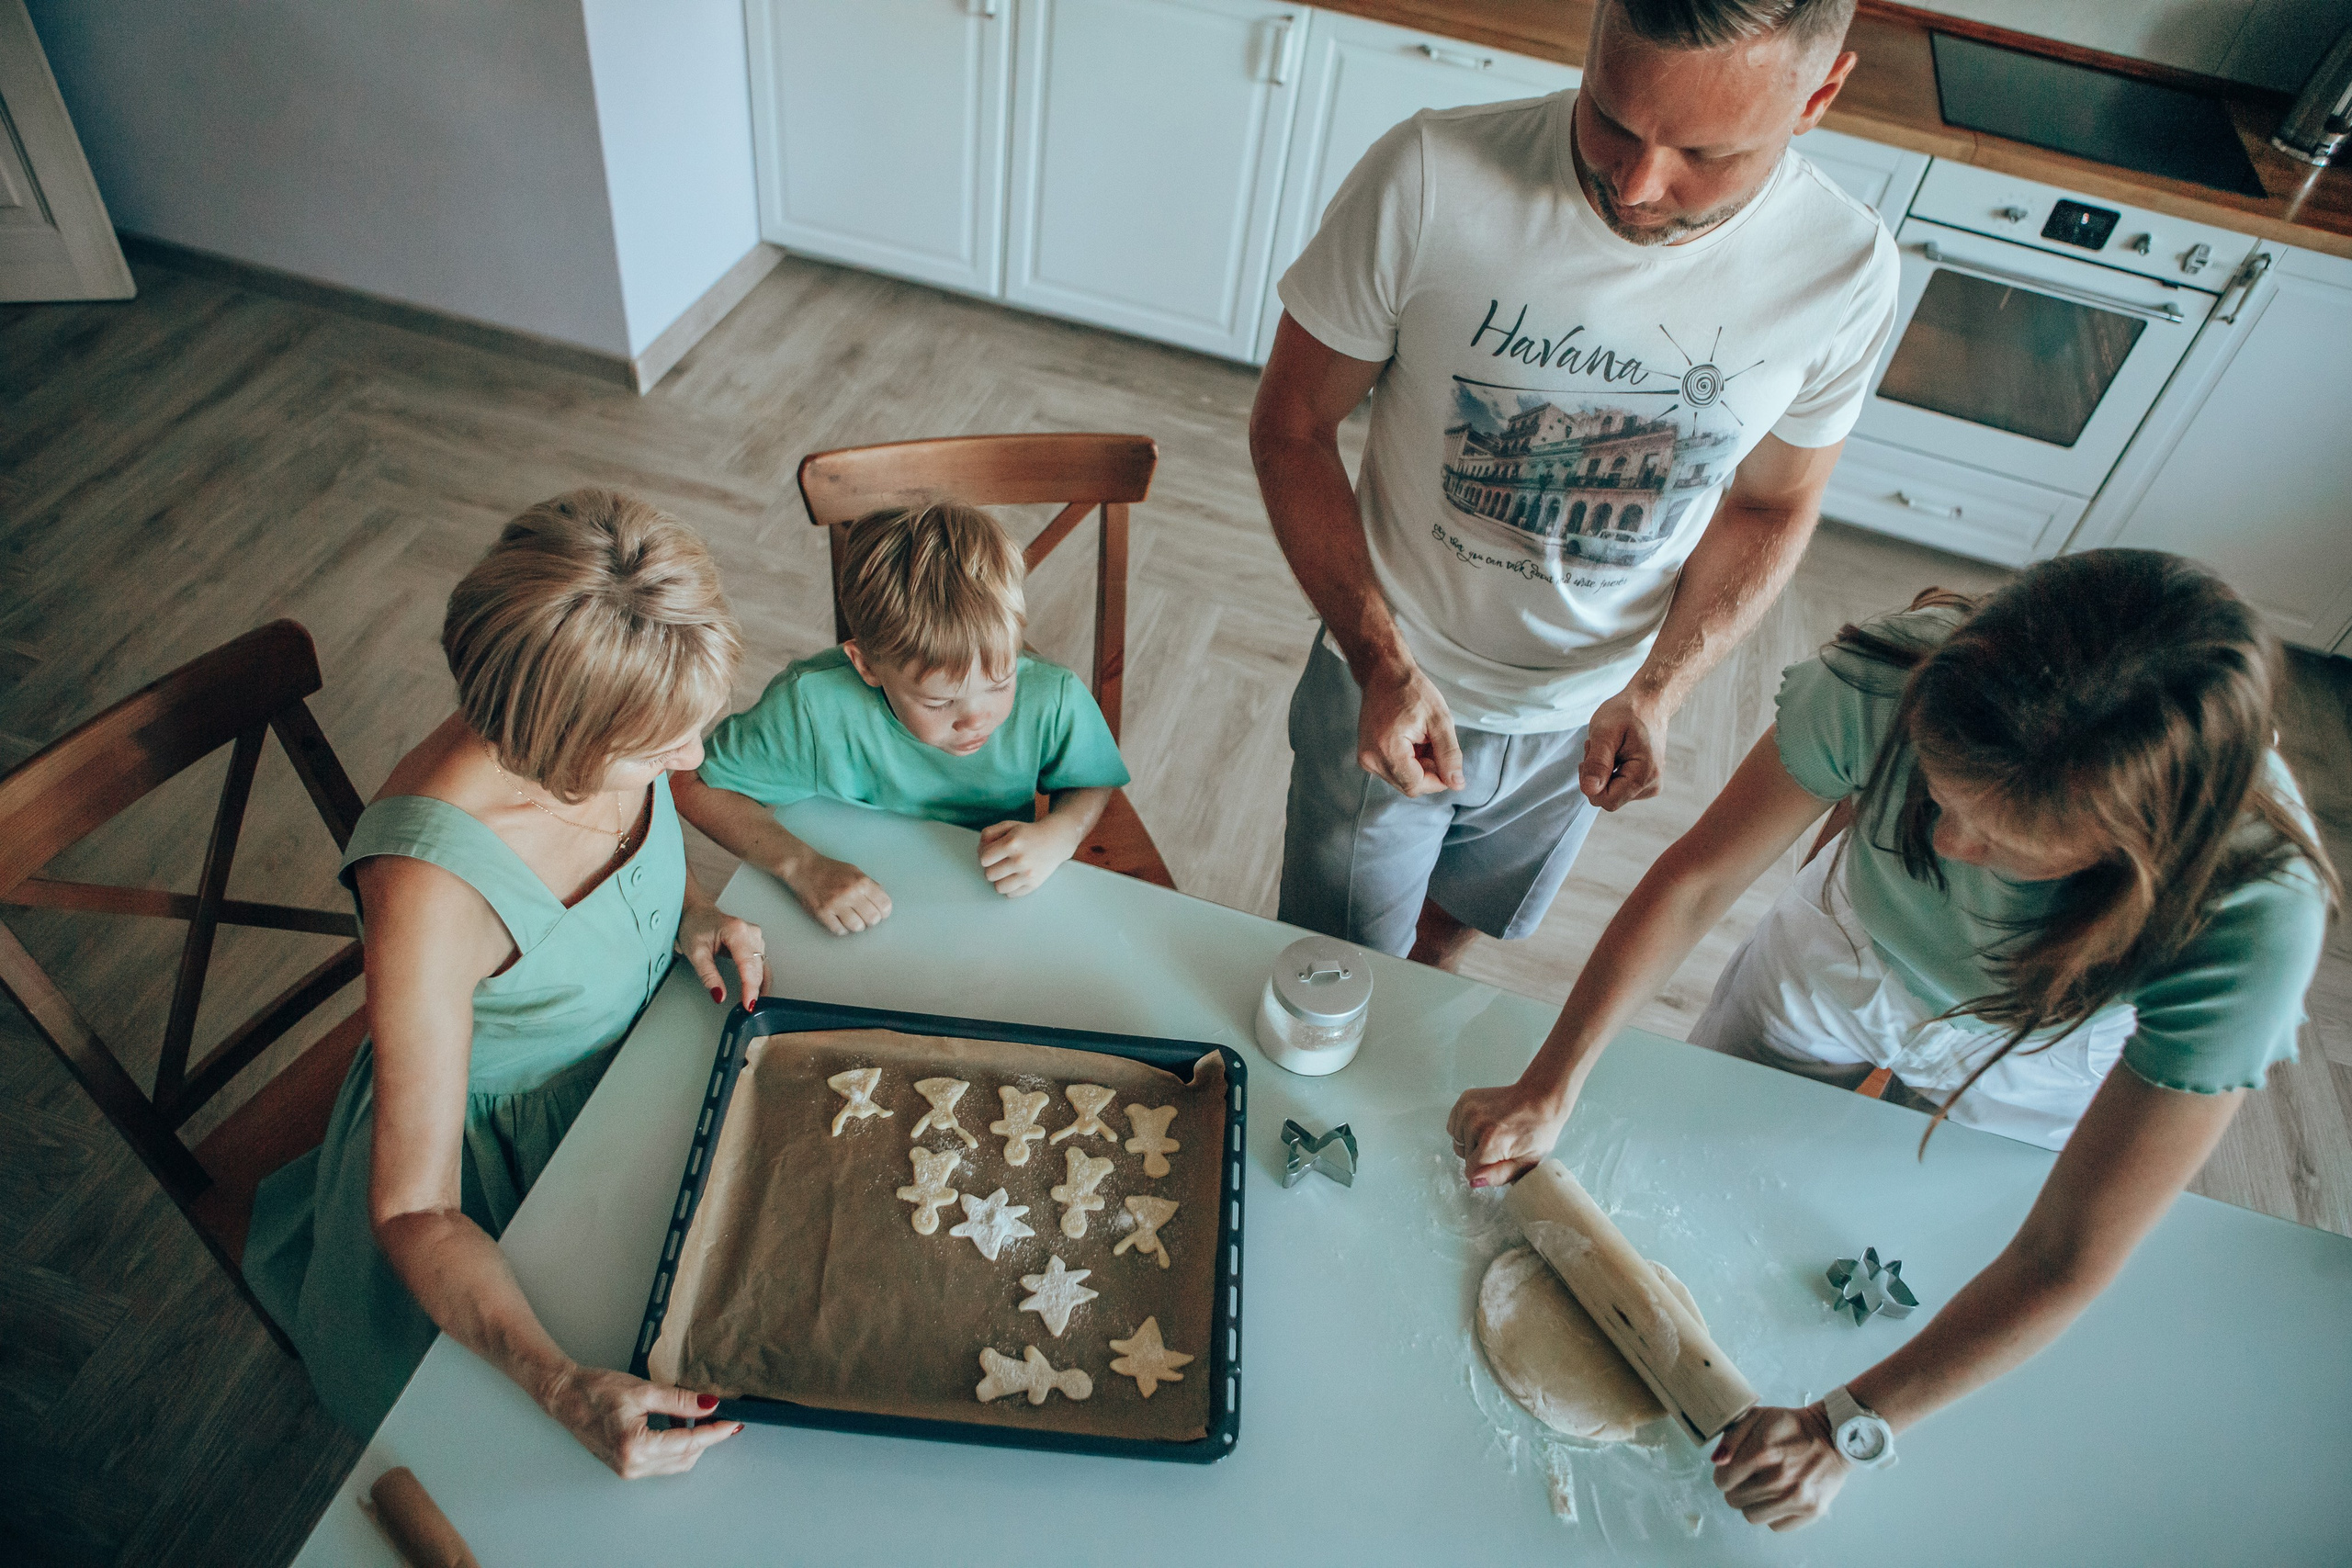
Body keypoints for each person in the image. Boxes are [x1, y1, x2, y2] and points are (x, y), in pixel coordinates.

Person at [1448, 549, 2336, 1529]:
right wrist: (1553, 1077)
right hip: (1841, 953)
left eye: (2005, 843)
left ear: (2134, 848)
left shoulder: (2246, 918)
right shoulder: (1886, 678)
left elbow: (2061, 1252)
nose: (1950, 848)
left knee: (1916, 1241)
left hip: (2048, 1050)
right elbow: (1699, 880)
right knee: (1704, 1172)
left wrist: (1847, 1424)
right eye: (1936, 797)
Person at [1251, 0, 1897, 968]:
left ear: (1821, 95)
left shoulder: (1844, 270)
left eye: (1706, 156)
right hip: (1385, 674)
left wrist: (1661, 690)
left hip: (1587, 724)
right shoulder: (1429, 175)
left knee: (1447, 941)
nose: (1636, 186)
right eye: (1612, 120)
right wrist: (1377, 658)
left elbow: (1771, 501)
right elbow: (1293, 426)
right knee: (1332, 958)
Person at [246, 490, 765, 1474]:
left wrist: (684, 917)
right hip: (501, 1177)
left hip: (645, 1070)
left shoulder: (607, 719)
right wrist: (564, 1386)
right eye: (660, 750)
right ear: (560, 739)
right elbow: (412, 1211)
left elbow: (630, 838)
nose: (690, 764)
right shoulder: (430, 890)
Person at [676, 501, 1130, 932]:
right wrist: (801, 865)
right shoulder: (812, 707)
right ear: (865, 665)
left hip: (985, 902)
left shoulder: (1052, 696)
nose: (976, 720)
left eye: (1000, 683)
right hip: (859, 892)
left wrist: (1060, 835)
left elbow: (1092, 777)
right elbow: (689, 784)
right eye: (938, 703)